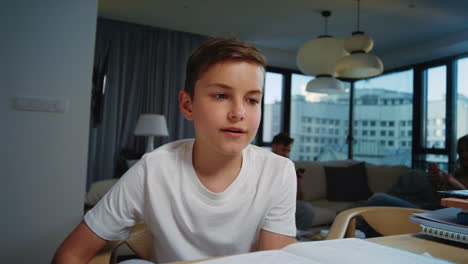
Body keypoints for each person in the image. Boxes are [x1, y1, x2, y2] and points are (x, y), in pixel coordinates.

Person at [53, 37, 297, 263]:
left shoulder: (278, 171)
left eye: (252, 100)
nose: (239, 113)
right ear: (187, 105)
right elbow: (71, 253)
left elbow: (273, 259)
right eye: (221, 95)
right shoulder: (154, 169)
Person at [271, 133, 316, 231]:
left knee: (306, 209)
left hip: (284, 203)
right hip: (268, 203)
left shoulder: (288, 167)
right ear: (274, 147)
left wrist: (298, 182)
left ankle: (296, 237)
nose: (286, 155)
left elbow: (299, 199)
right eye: (283, 150)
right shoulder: (263, 163)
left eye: (288, 151)